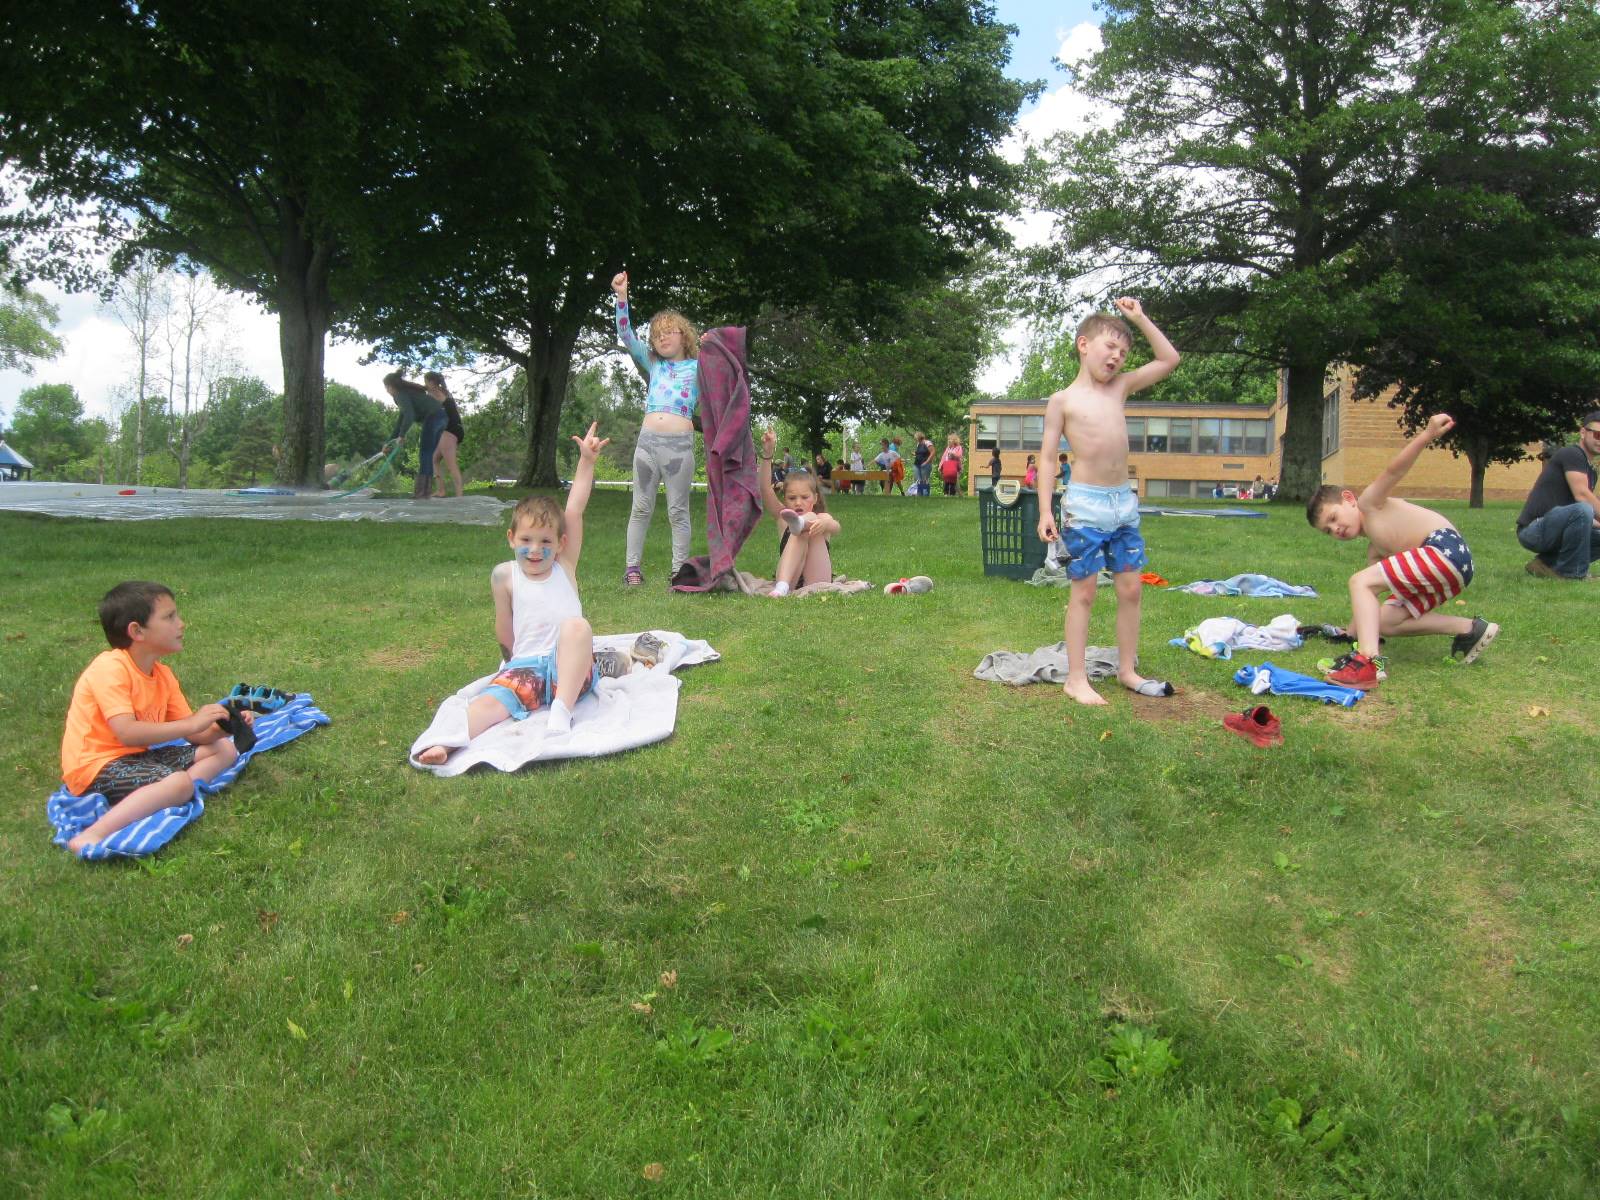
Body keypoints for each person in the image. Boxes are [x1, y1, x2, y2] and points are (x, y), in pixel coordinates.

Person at [416, 424, 609, 764]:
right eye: (526, 541)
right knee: (489, 703)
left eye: (546, 542)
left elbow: (574, 510)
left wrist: (587, 461)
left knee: (577, 627)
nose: (536, 550)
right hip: (526, 670)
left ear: (561, 544)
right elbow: (504, 629)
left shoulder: (565, 566)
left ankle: (560, 714)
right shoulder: (504, 576)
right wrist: (508, 666)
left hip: (569, 670)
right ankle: (445, 743)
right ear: (511, 539)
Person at [1036, 299, 1182, 706]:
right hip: (1084, 506)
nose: (1117, 357)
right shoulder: (1062, 401)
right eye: (1109, 347)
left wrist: (1138, 318)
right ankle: (1076, 678)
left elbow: (1169, 359)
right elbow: (1048, 457)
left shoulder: (1121, 387)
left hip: (1123, 504)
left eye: (1123, 352)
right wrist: (1046, 510)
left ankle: (1128, 670)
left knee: (1131, 588)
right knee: (1083, 592)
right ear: (1084, 345)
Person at [1305, 413, 1500, 688]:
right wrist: (1350, 632)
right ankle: (1469, 629)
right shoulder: (1376, 548)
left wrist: (1427, 435)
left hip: (1444, 550)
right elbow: (1368, 600)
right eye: (1328, 530)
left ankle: (1367, 662)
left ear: (1349, 499)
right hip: (1448, 569)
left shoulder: (1371, 503)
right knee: (1385, 621)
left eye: (1334, 518)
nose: (1335, 529)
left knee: (1359, 581)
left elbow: (1394, 470)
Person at [59, 581, 250, 853]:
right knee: (178, 781)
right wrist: (192, 722)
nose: (181, 624)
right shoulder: (110, 668)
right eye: (170, 617)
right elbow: (127, 732)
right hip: (94, 768)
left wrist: (224, 727)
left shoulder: (163, 675)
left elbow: (195, 735)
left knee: (224, 750)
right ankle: (92, 834)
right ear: (136, 631)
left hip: (134, 759)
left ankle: (165, 794)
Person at [612, 270, 699, 587]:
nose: (662, 338)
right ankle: (632, 568)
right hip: (647, 445)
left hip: (679, 449)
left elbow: (728, 374)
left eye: (669, 332)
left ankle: (679, 571)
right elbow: (626, 335)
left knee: (678, 510)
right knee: (641, 508)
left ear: (683, 336)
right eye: (657, 334)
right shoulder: (653, 364)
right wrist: (622, 297)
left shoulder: (698, 367)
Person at [1516, 412, 1600, 581]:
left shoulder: (1590, 471)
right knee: (1583, 509)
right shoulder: (1572, 454)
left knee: (1586, 514)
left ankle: (1545, 565)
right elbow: (1582, 496)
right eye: (1597, 434)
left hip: (1557, 527)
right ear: (1583, 432)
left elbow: (1583, 517)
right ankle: (1573, 574)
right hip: (1534, 529)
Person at [759, 428, 842, 596]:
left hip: (817, 579)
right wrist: (767, 453)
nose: (798, 502)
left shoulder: (822, 517)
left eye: (805, 497)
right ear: (784, 499)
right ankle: (781, 588)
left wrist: (825, 523)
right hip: (789, 579)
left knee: (812, 518)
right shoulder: (783, 517)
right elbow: (764, 489)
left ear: (815, 498)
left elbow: (836, 527)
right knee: (802, 527)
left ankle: (802, 523)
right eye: (791, 498)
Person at [383, 372, 448, 500]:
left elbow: (409, 415)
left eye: (386, 387)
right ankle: (424, 492)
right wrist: (389, 441)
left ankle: (422, 493)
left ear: (390, 386)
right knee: (428, 454)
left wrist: (401, 436)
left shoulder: (400, 395)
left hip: (434, 417)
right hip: (442, 417)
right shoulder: (405, 393)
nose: (386, 390)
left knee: (425, 453)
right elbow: (401, 420)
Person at [424, 371, 465, 498]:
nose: (424, 384)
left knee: (451, 464)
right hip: (455, 429)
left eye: (426, 381)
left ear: (431, 382)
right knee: (434, 459)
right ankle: (441, 490)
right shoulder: (444, 392)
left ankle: (459, 495)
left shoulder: (435, 392)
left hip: (450, 430)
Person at [911, 432, 935, 497]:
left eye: (915, 437)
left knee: (925, 480)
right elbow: (920, 453)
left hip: (925, 464)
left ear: (918, 437)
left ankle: (926, 494)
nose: (915, 439)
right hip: (917, 464)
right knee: (918, 480)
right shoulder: (918, 444)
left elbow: (932, 452)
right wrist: (915, 454)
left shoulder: (927, 443)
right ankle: (920, 494)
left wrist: (926, 462)